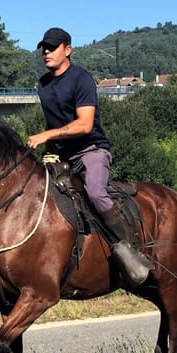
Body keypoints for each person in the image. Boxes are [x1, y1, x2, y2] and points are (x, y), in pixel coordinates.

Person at [26, 27, 153, 286]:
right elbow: (56, 119)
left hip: (90, 151)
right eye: (44, 49)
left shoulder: (81, 79)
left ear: (67, 50)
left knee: (95, 193)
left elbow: (84, 125)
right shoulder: (43, 83)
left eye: (52, 47)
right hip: (61, 156)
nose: (46, 53)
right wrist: (50, 151)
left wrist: (47, 136)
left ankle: (126, 248)